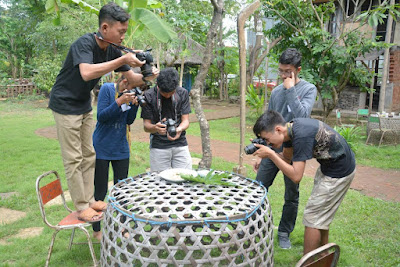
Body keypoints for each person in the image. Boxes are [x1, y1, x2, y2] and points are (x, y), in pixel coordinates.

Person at [48, 2, 158, 223]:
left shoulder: (113, 50)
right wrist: (123, 59)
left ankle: (89, 200)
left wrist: (147, 74)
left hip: (83, 104)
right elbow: (87, 73)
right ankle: (81, 206)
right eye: (121, 32)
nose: (123, 37)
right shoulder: (84, 44)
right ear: (105, 28)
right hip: (64, 104)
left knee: (89, 154)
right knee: (74, 158)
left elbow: (132, 79)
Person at [252, 110, 356, 254]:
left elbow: (296, 176)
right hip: (329, 167)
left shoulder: (301, 136)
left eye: (267, 139)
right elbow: (287, 160)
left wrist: (270, 154)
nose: (268, 143)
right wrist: (270, 155)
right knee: (320, 216)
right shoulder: (290, 131)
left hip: (339, 172)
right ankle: (323, 256)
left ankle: (308, 262)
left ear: (278, 129)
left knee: (312, 218)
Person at [252, 48, 317, 249]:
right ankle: (253, 228)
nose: (282, 76)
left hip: (295, 150)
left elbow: (302, 118)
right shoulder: (276, 91)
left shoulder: (308, 89)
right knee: (258, 189)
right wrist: (261, 153)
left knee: (291, 194)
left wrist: (290, 90)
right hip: (273, 147)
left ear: (298, 70)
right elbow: (267, 124)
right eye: (280, 71)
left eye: (287, 71)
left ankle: (284, 232)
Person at [91, 74, 138, 240]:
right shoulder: (106, 89)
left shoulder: (132, 93)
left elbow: (129, 120)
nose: (133, 90)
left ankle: (123, 227)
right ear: (124, 81)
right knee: (100, 190)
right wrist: (119, 101)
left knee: (122, 191)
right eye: (132, 86)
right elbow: (101, 117)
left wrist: (134, 105)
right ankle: (97, 229)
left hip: (121, 147)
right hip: (102, 146)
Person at [141, 68, 192, 171]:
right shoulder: (149, 96)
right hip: (158, 146)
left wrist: (179, 129)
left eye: (171, 93)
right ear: (158, 86)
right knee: (160, 182)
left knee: (185, 178)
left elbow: (185, 121)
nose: (168, 96)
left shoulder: (182, 93)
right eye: (165, 93)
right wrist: (155, 128)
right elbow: (146, 126)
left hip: (180, 143)